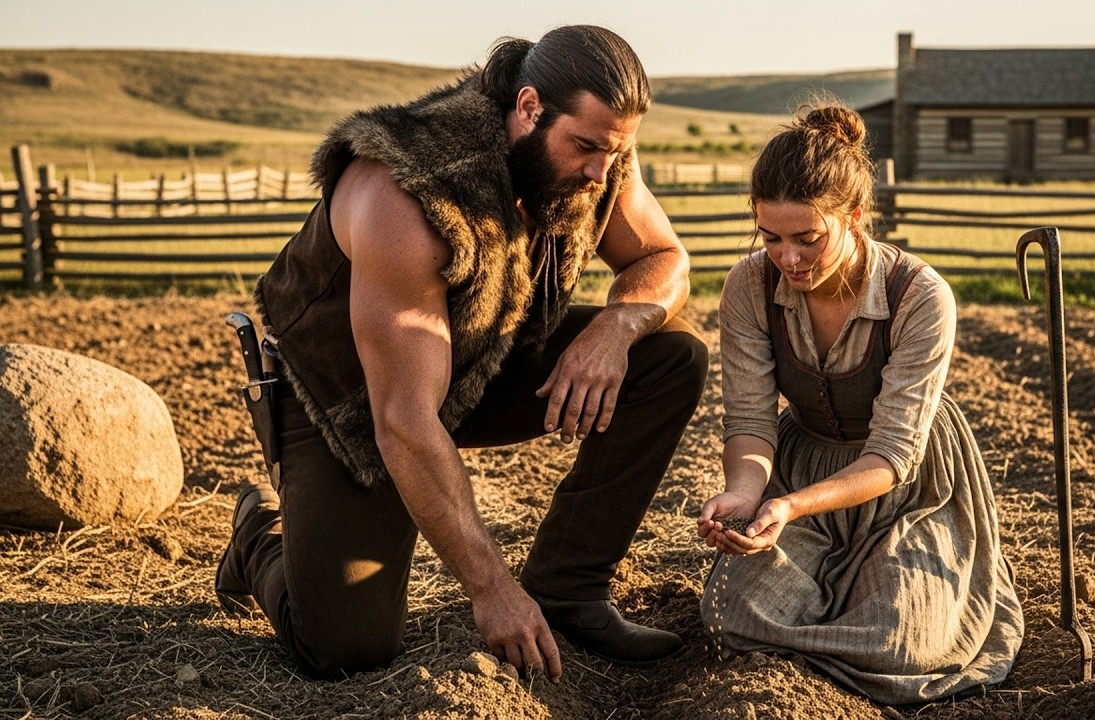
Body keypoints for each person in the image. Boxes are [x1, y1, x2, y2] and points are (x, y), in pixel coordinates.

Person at [215, 25, 709, 681]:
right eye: (585, 147)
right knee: (345, 648)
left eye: (613, 152)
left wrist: (617, 326)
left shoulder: (601, 160)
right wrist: (490, 585)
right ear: (529, 109)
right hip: (350, 401)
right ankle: (260, 539)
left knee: (672, 354)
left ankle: (568, 590)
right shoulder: (406, 194)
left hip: (481, 362)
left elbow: (663, 257)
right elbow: (402, 418)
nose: (600, 171)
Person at [696, 103, 1023, 704]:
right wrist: (747, 495)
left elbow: (893, 455)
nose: (788, 258)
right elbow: (749, 422)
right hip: (801, 469)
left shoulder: (919, 297)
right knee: (729, 613)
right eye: (771, 238)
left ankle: (850, 611)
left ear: (855, 216)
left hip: (906, 488)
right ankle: (822, 606)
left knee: (905, 640)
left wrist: (790, 507)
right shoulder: (749, 285)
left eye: (808, 238)